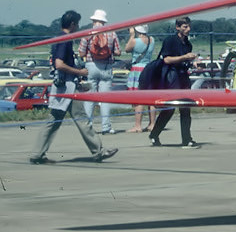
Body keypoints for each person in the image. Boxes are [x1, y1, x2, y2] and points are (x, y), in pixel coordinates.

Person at [31, 10, 117, 164]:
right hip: (68, 87)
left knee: (54, 120)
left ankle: (37, 153)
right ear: (72, 24)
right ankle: (98, 151)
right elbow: (59, 64)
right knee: (82, 119)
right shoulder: (65, 40)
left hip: (61, 87)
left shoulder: (58, 38)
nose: (78, 26)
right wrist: (79, 72)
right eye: (77, 24)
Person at [149, 17, 201, 148]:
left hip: (183, 75)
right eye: (185, 27)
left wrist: (192, 62)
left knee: (185, 108)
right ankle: (154, 134)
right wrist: (184, 57)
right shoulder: (170, 41)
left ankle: (186, 139)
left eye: (189, 26)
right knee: (170, 108)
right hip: (171, 76)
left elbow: (185, 60)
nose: (188, 29)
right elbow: (166, 60)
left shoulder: (188, 44)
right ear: (177, 27)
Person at [79, 9, 121, 135]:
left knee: (89, 98)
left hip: (91, 66)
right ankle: (106, 127)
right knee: (105, 99)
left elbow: (81, 52)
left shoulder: (88, 33)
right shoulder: (112, 33)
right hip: (106, 67)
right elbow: (118, 52)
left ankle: (87, 127)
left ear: (93, 20)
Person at [123, 24, 157, 132]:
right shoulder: (152, 40)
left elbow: (127, 49)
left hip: (137, 70)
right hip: (148, 68)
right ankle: (152, 124)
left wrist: (132, 35)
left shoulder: (135, 41)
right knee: (151, 98)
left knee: (138, 98)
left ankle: (137, 125)